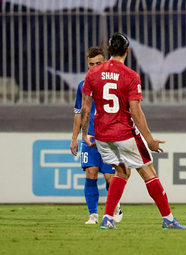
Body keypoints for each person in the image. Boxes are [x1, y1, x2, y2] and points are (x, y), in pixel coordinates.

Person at [81, 32, 186, 230]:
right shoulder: (131, 76)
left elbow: (86, 106)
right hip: (124, 133)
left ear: (109, 50)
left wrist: (84, 133)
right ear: (127, 51)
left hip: (102, 136)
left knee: (121, 172)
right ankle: (169, 219)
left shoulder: (92, 73)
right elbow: (136, 112)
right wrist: (150, 140)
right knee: (149, 172)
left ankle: (108, 218)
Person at [70, 46, 123, 225]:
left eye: (98, 63)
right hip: (89, 137)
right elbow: (79, 113)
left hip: (109, 137)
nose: (94, 67)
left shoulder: (113, 83)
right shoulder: (82, 85)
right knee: (90, 173)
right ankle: (93, 214)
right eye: (91, 64)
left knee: (110, 177)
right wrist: (74, 137)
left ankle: (114, 204)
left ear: (105, 62)